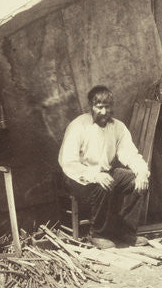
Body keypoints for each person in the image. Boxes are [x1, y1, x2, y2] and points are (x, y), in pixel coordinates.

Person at [58, 85, 150, 248]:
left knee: (136, 181)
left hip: (105, 174)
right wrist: (94, 175)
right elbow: (68, 162)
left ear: (112, 107)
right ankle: (98, 234)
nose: (103, 112)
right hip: (78, 178)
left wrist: (142, 172)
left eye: (107, 107)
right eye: (99, 107)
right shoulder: (78, 126)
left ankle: (124, 231)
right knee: (104, 183)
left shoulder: (118, 127)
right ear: (90, 106)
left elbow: (130, 154)